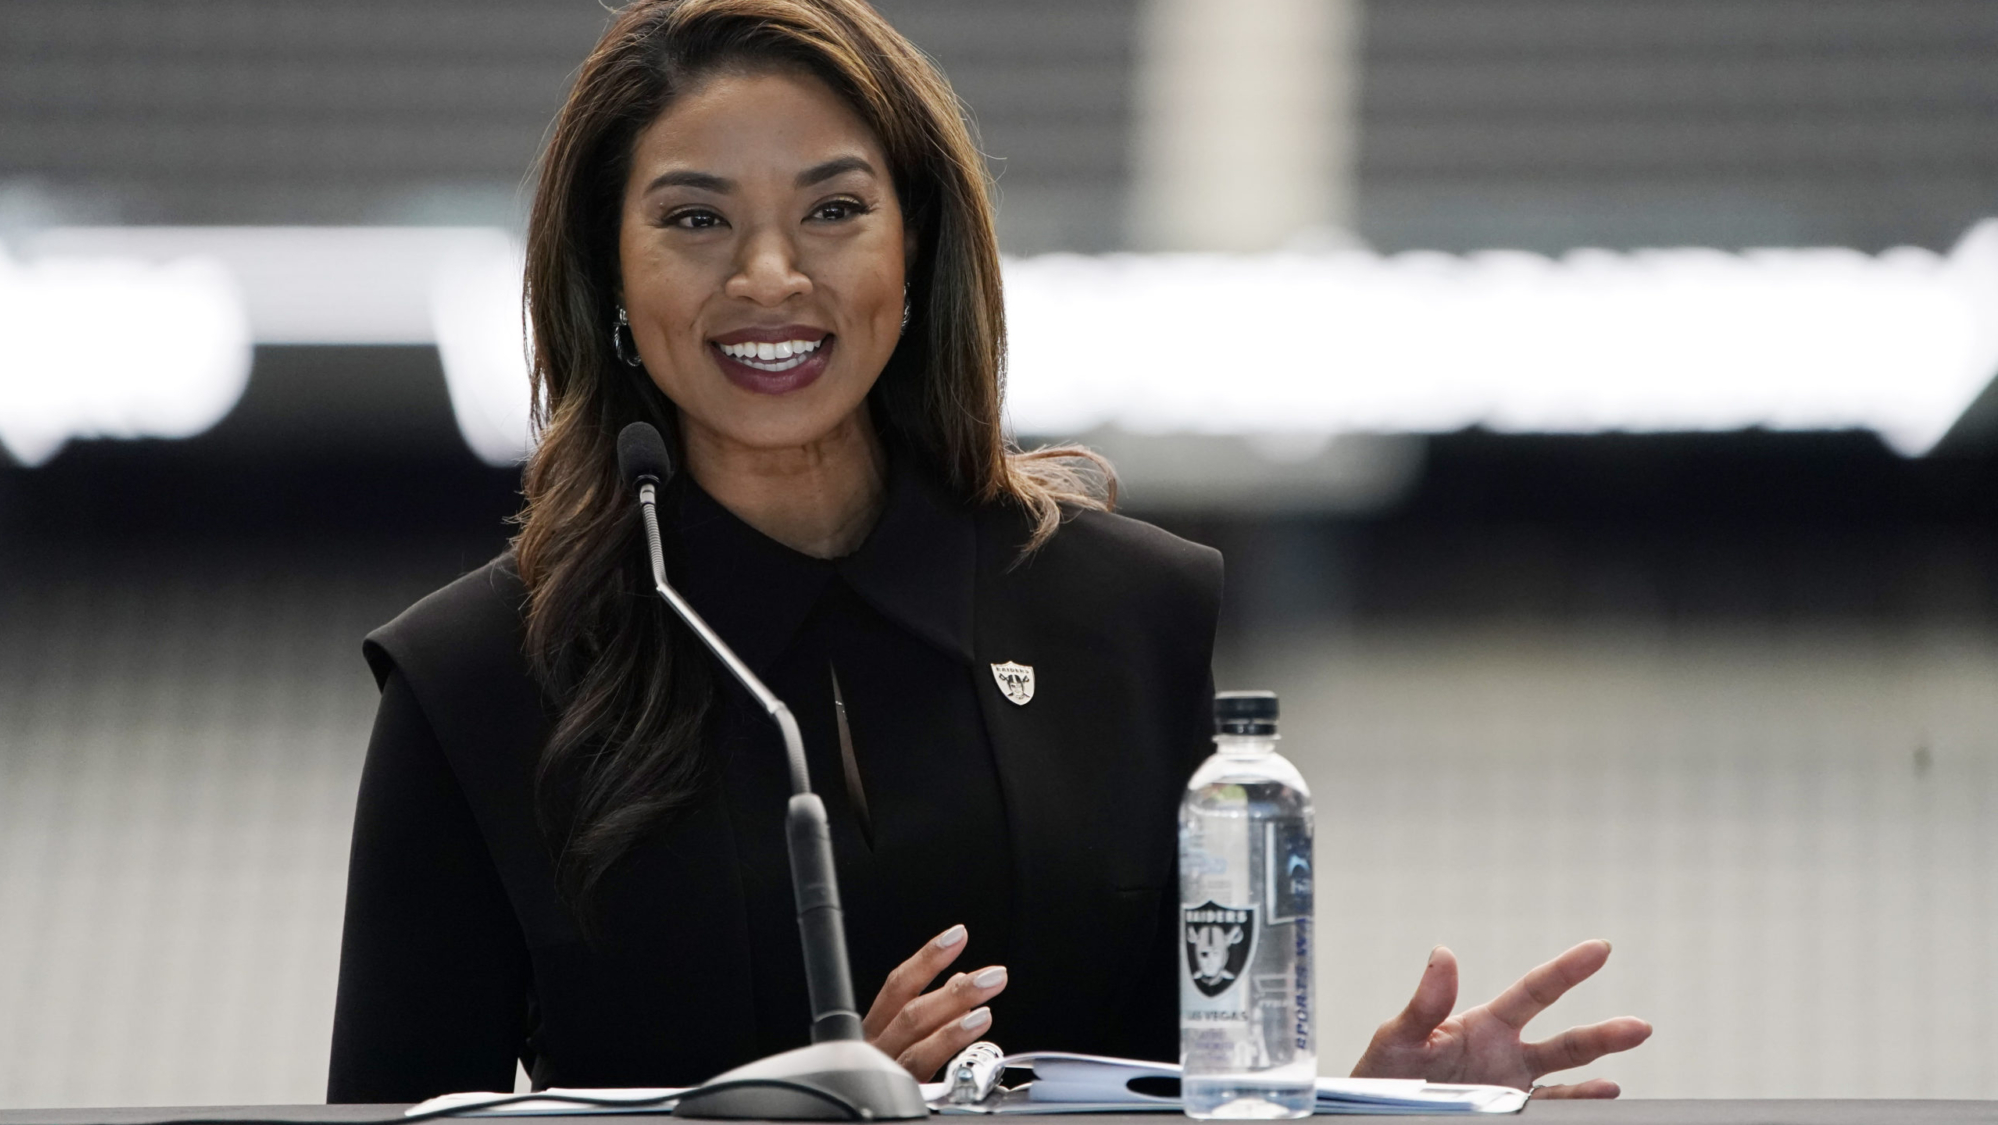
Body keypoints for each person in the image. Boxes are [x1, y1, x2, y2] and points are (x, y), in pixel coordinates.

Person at [327, 0, 1651, 1104]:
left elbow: (1185, 1089)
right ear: (609, 279)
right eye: (695, 219)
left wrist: (1365, 1096)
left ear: (918, 251)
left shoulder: (1132, 609)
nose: (772, 274)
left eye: (834, 210)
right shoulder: (475, 682)